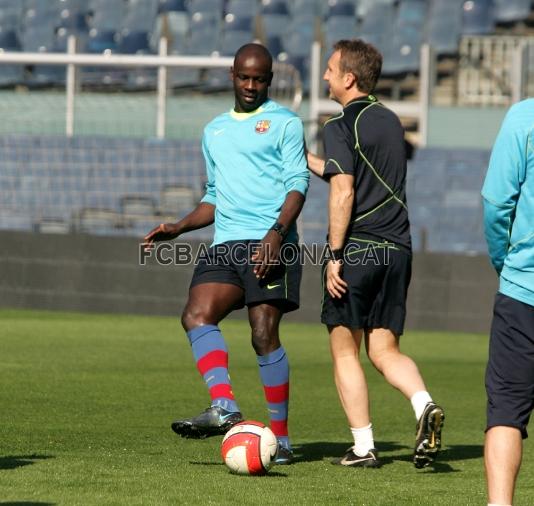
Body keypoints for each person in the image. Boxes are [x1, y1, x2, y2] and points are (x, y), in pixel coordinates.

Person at [143, 43, 309, 464]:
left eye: (260, 79)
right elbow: (214, 195)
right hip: (226, 243)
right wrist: (179, 227)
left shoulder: (285, 123)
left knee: (262, 334)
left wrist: (276, 233)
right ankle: (224, 404)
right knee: (195, 314)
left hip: (271, 241)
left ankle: (283, 439)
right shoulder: (213, 130)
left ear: (270, 80)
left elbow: (297, 185)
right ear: (232, 76)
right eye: (244, 77)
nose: (251, 86)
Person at [306, 39, 444, 468]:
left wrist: (333, 254)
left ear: (349, 78)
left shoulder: (338, 125)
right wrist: (306, 161)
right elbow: (356, 173)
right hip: (398, 251)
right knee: (384, 350)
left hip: (359, 250)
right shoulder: (390, 120)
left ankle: (364, 448)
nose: (325, 76)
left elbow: (344, 190)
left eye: (330, 69)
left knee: (345, 351)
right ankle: (424, 405)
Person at [482, 99, 534, 506]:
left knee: (506, 411)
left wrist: (506, 261)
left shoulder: (523, 116)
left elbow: (497, 201)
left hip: (524, 291)